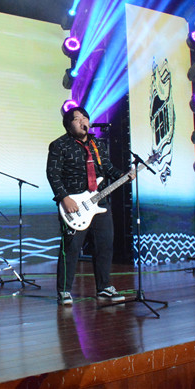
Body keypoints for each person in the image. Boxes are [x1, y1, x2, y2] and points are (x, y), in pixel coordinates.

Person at [46, 107, 132, 306]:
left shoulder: (97, 144)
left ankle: (104, 287)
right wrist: (64, 198)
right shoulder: (59, 145)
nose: (82, 121)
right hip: (74, 204)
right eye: (77, 119)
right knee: (71, 248)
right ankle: (64, 291)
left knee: (104, 245)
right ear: (68, 125)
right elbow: (53, 174)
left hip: (99, 201)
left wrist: (123, 175)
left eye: (85, 117)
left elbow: (106, 167)